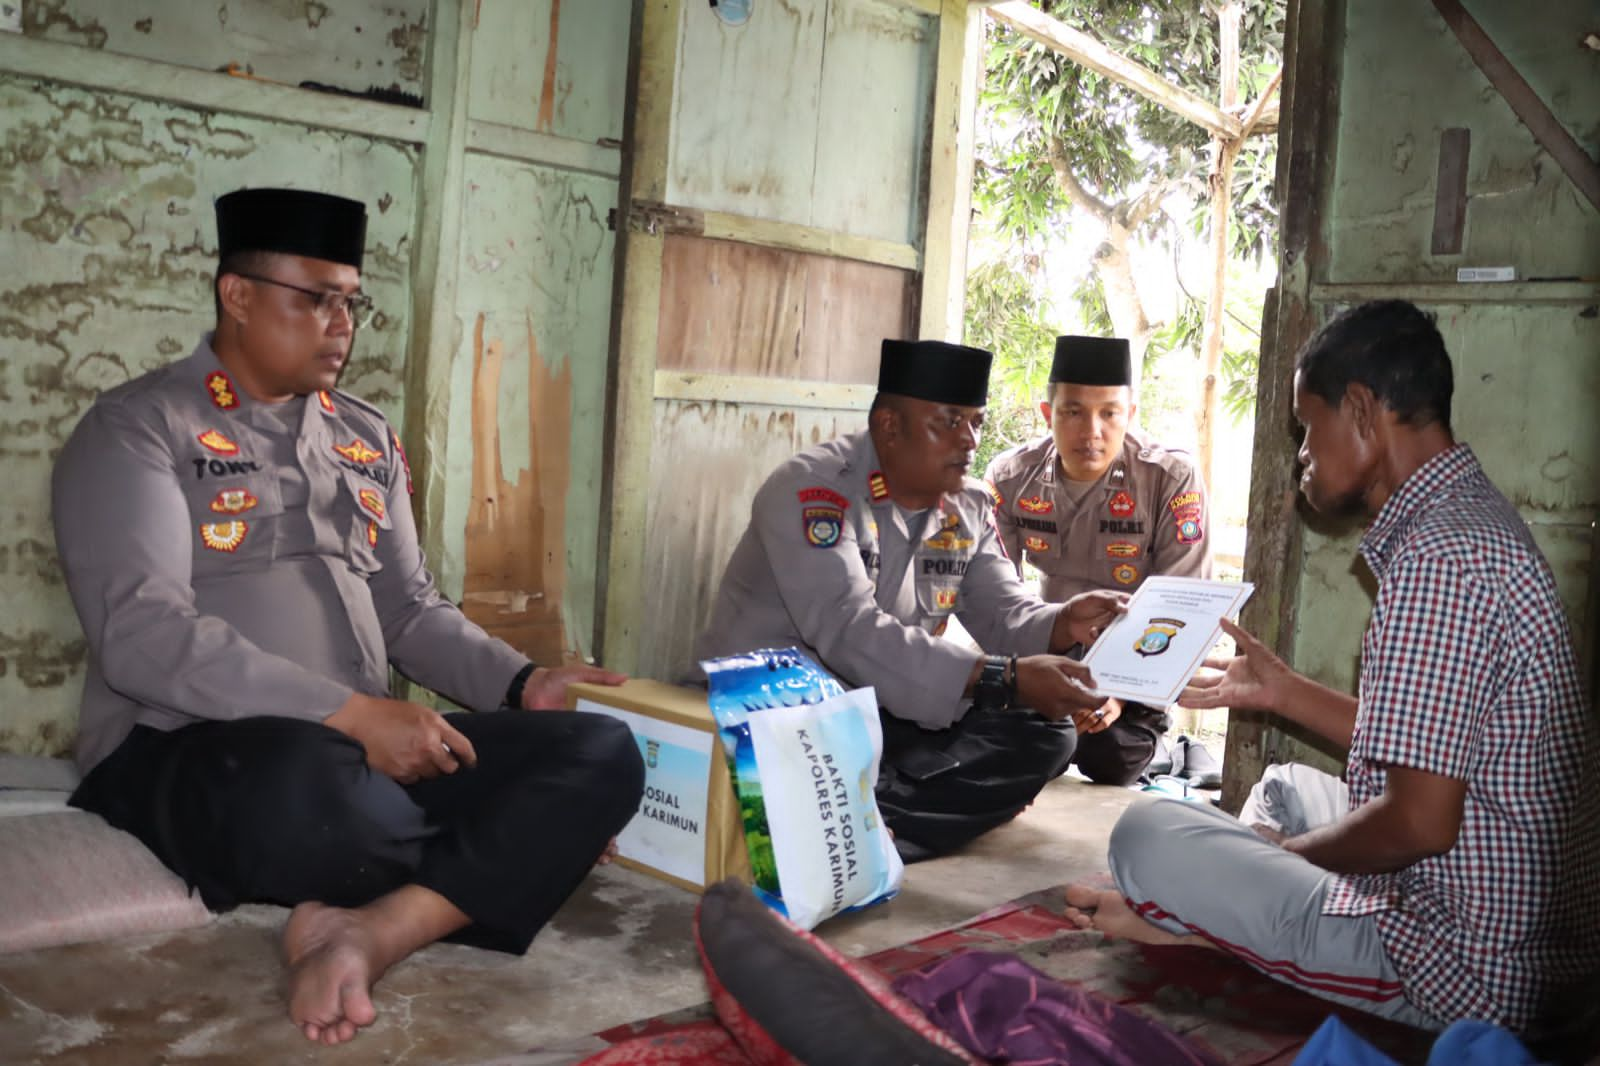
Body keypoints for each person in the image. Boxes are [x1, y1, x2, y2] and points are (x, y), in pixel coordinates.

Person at [52, 187, 645, 1046]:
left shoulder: (364, 437)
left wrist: (524, 684)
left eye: (350, 302)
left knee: (602, 754)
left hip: (359, 752)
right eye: (315, 299)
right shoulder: (140, 427)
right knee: (328, 805)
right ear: (239, 295)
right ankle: (486, 860)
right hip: (187, 745)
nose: (341, 324)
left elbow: (409, 609)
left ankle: (372, 927)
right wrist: (354, 715)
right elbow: (143, 637)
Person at [1063, 301, 1600, 1034]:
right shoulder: (1469, 522)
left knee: (1146, 833)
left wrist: (1291, 859)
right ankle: (1231, 918)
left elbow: (1419, 821)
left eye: (1308, 428)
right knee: (1283, 786)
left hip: (1462, 967)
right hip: (1521, 924)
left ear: (1361, 411)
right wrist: (1282, 693)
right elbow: (1436, 748)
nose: (1303, 455)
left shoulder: (1437, 561)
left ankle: (1209, 924)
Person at [696, 339, 1124, 862]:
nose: (968, 441)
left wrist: (1065, 622)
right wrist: (1001, 676)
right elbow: (850, 630)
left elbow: (1003, 610)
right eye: (947, 422)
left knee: (1046, 731)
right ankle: (862, 817)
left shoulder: (966, 507)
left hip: (886, 704)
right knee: (843, 741)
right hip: (787, 706)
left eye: (976, 422)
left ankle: (862, 820)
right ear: (888, 427)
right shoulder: (813, 492)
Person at [986, 335, 1212, 787]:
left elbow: (1182, 606)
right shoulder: (1011, 477)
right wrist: (1027, 676)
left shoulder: (1169, 478)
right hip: (1046, 647)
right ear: (1048, 414)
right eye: (1073, 412)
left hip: (1137, 657)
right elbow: (993, 597)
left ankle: (1158, 742)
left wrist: (1121, 695)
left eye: (1109, 413)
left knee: (1110, 758)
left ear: (1130, 414)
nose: (1092, 431)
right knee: (1006, 741)